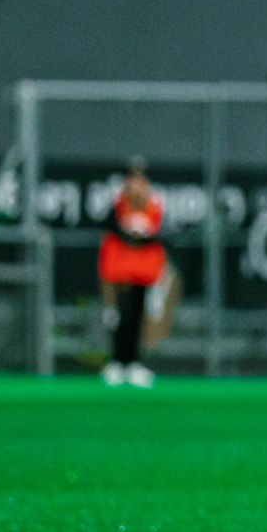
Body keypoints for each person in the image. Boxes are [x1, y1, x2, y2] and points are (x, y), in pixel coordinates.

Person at [98, 161, 167, 388]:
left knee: (137, 317)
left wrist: (142, 233)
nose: (136, 183)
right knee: (123, 316)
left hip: (143, 271)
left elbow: (159, 233)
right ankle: (118, 361)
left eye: (140, 179)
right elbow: (112, 227)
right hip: (122, 271)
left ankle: (133, 362)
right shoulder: (118, 204)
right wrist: (130, 232)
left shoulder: (153, 205)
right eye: (132, 178)